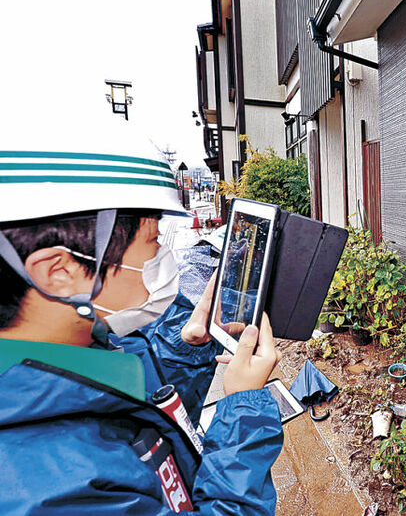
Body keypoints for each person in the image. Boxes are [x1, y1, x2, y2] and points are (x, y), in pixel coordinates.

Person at [0, 115, 283, 514]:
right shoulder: (45, 490)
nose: (165, 260)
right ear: (60, 272)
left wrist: (188, 347)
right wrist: (244, 410)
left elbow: (138, 415)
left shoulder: (80, 355)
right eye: (153, 243)